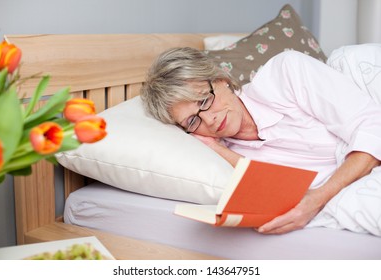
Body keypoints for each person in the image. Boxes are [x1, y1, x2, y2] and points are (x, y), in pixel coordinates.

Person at [140, 47, 381, 235]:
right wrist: (215, 148)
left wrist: (318, 198)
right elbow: (277, 189)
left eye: (204, 101)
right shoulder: (226, 156)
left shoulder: (286, 72)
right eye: (192, 121)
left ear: (222, 80)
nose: (210, 120)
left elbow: (372, 127)